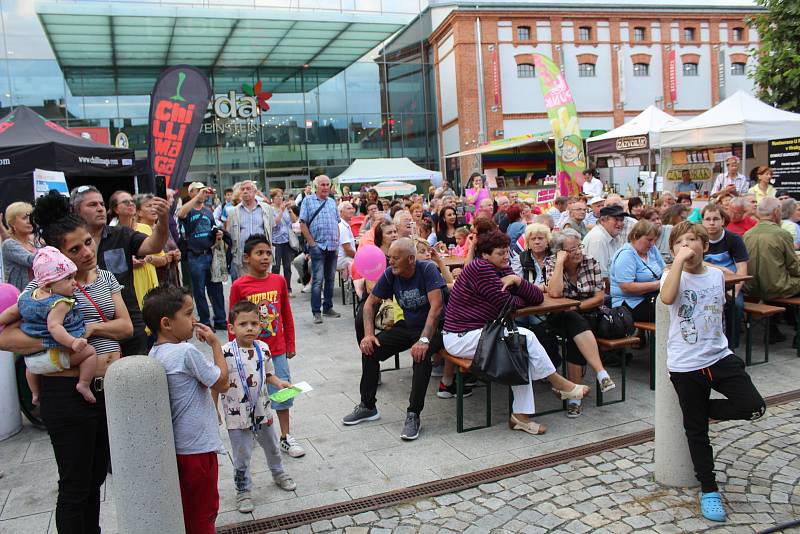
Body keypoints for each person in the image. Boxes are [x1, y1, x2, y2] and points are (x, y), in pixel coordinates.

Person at [0, 190, 132, 533]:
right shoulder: (41, 289)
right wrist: (65, 345)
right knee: (74, 487)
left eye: (88, 243)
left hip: (105, 393)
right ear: (57, 254)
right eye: (75, 250)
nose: (87, 253)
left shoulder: (103, 277)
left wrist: (88, 328)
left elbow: (126, 326)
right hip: (65, 394)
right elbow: (4, 336)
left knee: (94, 481)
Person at [660, 220, 765, 523]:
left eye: (692, 241)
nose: (686, 246)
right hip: (686, 364)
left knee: (754, 406)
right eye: (680, 242)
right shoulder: (672, 276)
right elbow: (667, 298)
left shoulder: (717, 276)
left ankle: (702, 411)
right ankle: (709, 489)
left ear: (705, 246)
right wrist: (678, 262)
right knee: (697, 433)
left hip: (718, 356)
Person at [441, 230, 591, 434]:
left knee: (519, 347)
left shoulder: (501, 268)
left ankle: (521, 416)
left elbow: (535, 298)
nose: (506, 257)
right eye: (501, 253)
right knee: (524, 337)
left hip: (483, 332)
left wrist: (518, 281)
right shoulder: (481, 268)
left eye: (506, 252)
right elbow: (509, 304)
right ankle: (558, 383)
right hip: (461, 337)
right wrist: (518, 296)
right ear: (485, 254)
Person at [143, 285, 229, 534]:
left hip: (178, 449)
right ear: (167, 323)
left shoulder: (155, 352)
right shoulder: (185, 352)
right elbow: (222, 383)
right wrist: (215, 344)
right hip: (198, 449)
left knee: (188, 511)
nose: (194, 321)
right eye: (189, 314)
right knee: (204, 512)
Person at [342, 238, 446, 441]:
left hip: (435, 328)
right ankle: (367, 406)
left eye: (395, 259)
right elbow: (370, 304)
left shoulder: (427, 270)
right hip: (408, 326)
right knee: (371, 349)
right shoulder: (391, 274)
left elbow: (437, 307)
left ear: (411, 259)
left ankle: (413, 414)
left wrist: (424, 340)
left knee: (420, 356)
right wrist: (369, 335)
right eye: (389, 258)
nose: (390, 262)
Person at [70, 185, 170, 355]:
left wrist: (163, 220)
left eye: (101, 204)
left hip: (129, 324)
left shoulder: (122, 234)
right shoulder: (68, 242)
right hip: (88, 328)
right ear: (75, 210)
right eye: (92, 205)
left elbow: (154, 245)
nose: (100, 208)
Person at [227, 234, 303, 458]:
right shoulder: (239, 286)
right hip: (249, 352)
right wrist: (235, 351)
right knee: (250, 394)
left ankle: (285, 437)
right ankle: (253, 432)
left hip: (277, 349)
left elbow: (286, 314)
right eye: (259, 253)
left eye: (268, 253)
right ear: (247, 258)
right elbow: (232, 321)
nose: (265, 257)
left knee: (282, 392)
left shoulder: (278, 281)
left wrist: (290, 342)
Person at [219, 300, 297, 514]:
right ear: (231, 328)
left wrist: (279, 383)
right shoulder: (225, 352)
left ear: (261, 326)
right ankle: (243, 489)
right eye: (243, 324)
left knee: (272, 446)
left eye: (254, 323)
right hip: (238, 417)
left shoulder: (263, 348)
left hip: (263, 411)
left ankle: (278, 473)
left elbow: (269, 374)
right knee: (242, 454)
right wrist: (214, 408)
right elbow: (217, 381)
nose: (250, 328)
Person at [1, 246, 98, 405]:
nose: (74, 282)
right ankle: (84, 384)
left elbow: (11, 313)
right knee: (90, 353)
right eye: (68, 279)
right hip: (55, 355)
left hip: (32, 361)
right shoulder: (60, 303)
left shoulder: (26, 297)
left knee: (30, 370)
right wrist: (72, 342)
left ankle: (35, 393)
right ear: (47, 286)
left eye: (73, 277)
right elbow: (55, 327)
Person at [545, 230, 616, 418]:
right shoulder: (552, 263)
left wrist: (576, 307)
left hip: (589, 315)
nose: (578, 252)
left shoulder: (591, 262)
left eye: (579, 247)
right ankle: (601, 373)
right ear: (561, 252)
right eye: (572, 249)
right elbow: (554, 294)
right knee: (571, 320)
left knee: (573, 333)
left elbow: (599, 298)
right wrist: (560, 263)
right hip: (559, 315)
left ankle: (574, 399)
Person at [177, 182, 227, 331]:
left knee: (216, 289)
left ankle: (220, 319)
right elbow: (181, 214)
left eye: (203, 191)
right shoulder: (188, 210)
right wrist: (198, 196)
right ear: (191, 193)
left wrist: (218, 234)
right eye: (198, 191)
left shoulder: (208, 211)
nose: (203, 193)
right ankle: (205, 321)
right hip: (195, 256)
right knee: (199, 291)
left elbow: (213, 228)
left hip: (210, 254)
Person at [700, 203, 748, 346]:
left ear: (723, 221)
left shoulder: (733, 239)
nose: (712, 223)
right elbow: (694, 261)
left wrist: (736, 292)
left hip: (731, 285)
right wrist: (719, 268)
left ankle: (731, 346)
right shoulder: (698, 239)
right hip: (706, 284)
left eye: (716, 219)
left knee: (736, 305)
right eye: (707, 219)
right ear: (702, 221)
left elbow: (742, 269)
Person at [300, 175, 342, 324]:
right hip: (318, 246)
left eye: (327, 184)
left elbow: (337, 223)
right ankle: (316, 312)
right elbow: (303, 224)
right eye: (322, 184)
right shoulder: (308, 200)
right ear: (316, 186)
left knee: (330, 279)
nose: (325, 187)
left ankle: (328, 308)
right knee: (318, 280)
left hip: (332, 246)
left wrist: (337, 241)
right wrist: (312, 244)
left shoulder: (331, 202)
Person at [744, 197, 800, 303]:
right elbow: (793, 267)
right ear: (776, 212)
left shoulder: (747, 234)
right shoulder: (782, 234)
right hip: (776, 289)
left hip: (751, 289)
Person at [610, 220, 664, 323]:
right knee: (665, 313)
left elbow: (664, 269)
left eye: (654, 240)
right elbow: (626, 287)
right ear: (636, 236)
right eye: (649, 240)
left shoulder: (652, 249)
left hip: (650, 297)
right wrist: (659, 284)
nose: (652, 243)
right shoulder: (626, 255)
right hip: (629, 303)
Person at [227, 180, 276, 280]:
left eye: (248, 189)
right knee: (247, 285)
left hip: (263, 255)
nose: (245, 191)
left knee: (263, 284)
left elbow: (271, 228)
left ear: (255, 192)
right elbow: (230, 233)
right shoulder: (233, 212)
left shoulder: (266, 209)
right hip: (243, 256)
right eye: (242, 189)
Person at [582, 205, 626, 278]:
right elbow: (600, 277)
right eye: (616, 219)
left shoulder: (614, 235)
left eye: (621, 220)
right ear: (603, 220)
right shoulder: (597, 238)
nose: (620, 223)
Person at [2, 201, 38, 291]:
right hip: (21, 297)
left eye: (30, 217)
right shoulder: (9, 245)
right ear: (12, 223)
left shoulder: (36, 241)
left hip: (40, 295)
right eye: (24, 218)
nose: (30, 220)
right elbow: (30, 260)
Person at [270, 188, 297, 294]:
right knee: (276, 267)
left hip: (286, 240)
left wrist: (289, 209)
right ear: (273, 198)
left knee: (287, 266)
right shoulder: (271, 209)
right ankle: (275, 288)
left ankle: (288, 288)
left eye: (281, 196)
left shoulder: (286, 208)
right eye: (277, 197)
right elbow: (275, 223)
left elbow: (294, 220)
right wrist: (281, 211)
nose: (280, 199)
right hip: (275, 241)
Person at [337, 201, 357, 280]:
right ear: (341, 212)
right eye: (348, 208)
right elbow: (348, 250)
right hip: (342, 259)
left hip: (343, 258)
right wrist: (360, 257)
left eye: (352, 208)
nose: (352, 210)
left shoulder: (344, 224)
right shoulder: (342, 226)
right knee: (365, 264)